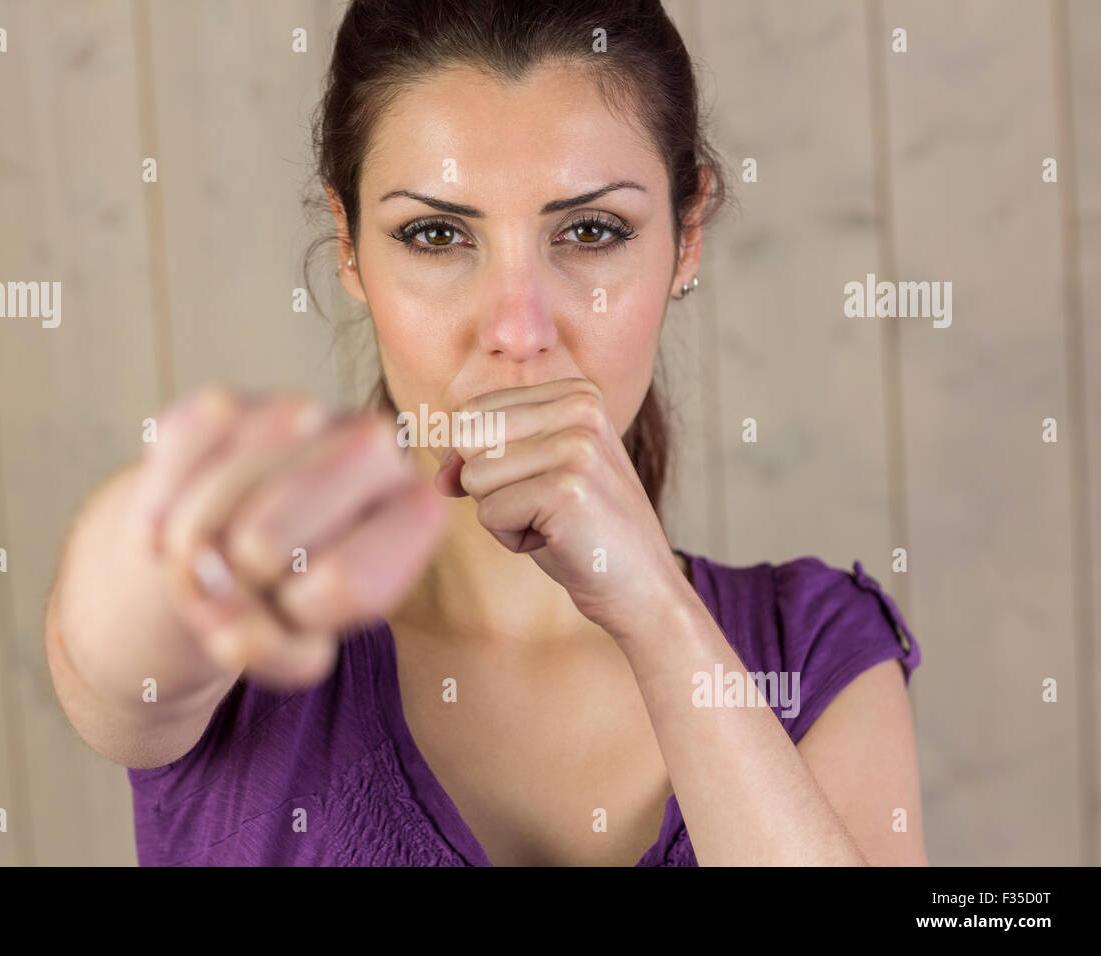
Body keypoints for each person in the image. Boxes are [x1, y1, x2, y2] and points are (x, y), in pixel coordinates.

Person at [45, 0, 925, 866]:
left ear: (686, 236)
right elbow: (117, 638)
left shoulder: (816, 655)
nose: (517, 328)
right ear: (349, 246)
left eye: (590, 231)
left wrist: (659, 616)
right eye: (435, 234)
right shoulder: (244, 672)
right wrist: (185, 535)